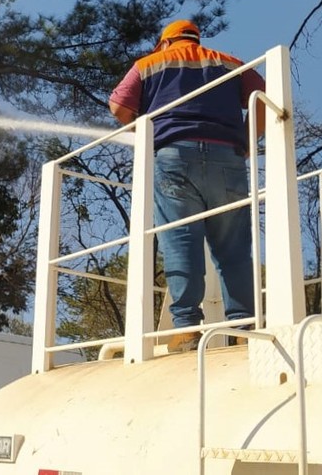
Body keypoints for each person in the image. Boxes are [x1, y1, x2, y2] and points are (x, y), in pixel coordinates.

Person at [108, 19, 266, 352]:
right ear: (195, 38)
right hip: (228, 160)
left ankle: (187, 330)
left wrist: (145, 127)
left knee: (180, 243)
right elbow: (263, 99)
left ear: (164, 42)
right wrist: (248, 142)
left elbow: (119, 106)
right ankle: (242, 328)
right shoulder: (230, 62)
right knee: (234, 250)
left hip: (174, 159)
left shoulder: (149, 64)